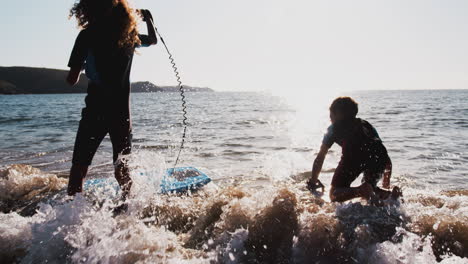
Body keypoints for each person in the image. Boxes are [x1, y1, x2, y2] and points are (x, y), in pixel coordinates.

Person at [66, 0, 157, 199]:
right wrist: (148, 19)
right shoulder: (129, 36)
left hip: (95, 111)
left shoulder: (87, 35)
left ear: (87, 10)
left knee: (79, 169)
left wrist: (84, 66)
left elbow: (72, 80)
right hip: (121, 114)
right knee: (122, 170)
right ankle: (127, 211)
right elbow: (152, 40)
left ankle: (71, 217)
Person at [307, 97, 401, 203]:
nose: (330, 119)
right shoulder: (367, 125)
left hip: (353, 153)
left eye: (331, 116)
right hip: (379, 156)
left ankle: (360, 190)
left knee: (334, 194)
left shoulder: (333, 129)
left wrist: (313, 181)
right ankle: (389, 194)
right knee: (370, 190)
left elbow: (320, 157)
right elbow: (384, 156)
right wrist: (386, 184)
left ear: (337, 114)